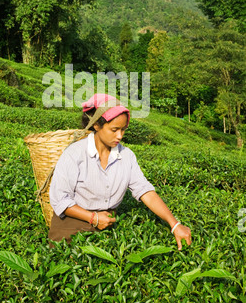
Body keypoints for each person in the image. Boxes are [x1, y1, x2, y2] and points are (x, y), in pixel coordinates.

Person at [49, 93, 192, 250]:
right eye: (114, 129)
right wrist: (93, 217)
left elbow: (145, 191)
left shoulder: (127, 156)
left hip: (107, 221)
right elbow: (60, 199)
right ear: (96, 125)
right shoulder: (74, 154)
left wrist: (175, 224)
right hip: (72, 220)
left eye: (123, 130)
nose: (120, 136)